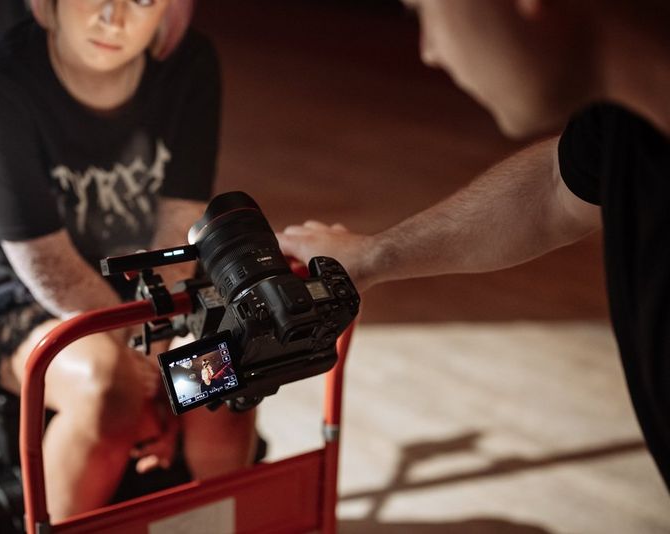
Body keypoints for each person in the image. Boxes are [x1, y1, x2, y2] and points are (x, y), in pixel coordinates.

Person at [278, 0, 670, 492]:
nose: (429, 52)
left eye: (424, 11)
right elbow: (556, 187)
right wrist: (373, 255)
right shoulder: (626, 123)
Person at [0, 0, 255, 520]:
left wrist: (161, 355)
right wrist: (146, 363)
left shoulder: (191, 63)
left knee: (219, 375)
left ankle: (210, 529)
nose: (113, 18)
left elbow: (178, 220)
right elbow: (44, 261)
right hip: (23, 293)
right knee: (108, 386)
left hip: (151, 291)